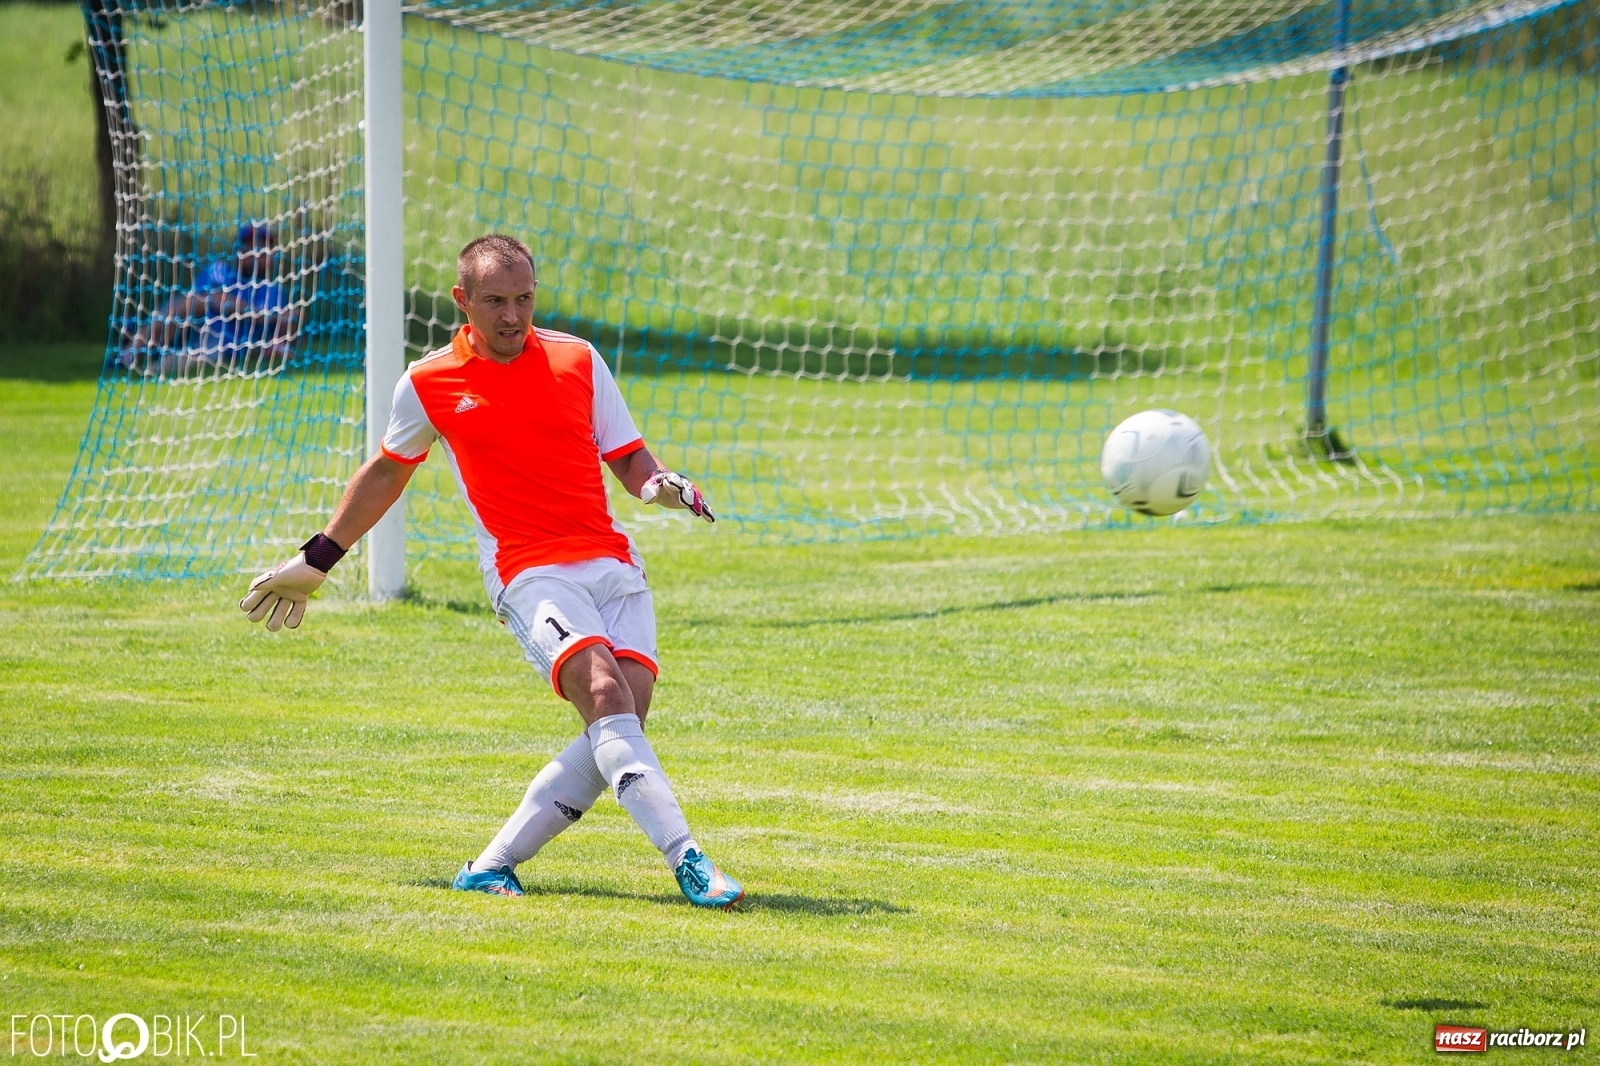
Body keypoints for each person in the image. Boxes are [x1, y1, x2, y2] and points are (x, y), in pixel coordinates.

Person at [237, 234, 743, 909]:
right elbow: (389, 471)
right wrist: (318, 558)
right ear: (462, 301)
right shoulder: (429, 382)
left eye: (524, 299)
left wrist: (662, 485)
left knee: (618, 729)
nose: (512, 316)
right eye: (496, 302)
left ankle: (491, 865)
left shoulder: (578, 360)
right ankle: (690, 861)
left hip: (613, 566)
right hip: (529, 572)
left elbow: (629, 457)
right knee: (603, 692)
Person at [120, 222, 299, 377]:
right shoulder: (220, 270)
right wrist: (253, 312)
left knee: (199, 354)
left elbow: (288, 321)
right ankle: (130, 352)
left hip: (227, 346)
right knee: (187, 302)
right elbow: (207, 298)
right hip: (199, 331)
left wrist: (274, 320)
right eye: (251, 248)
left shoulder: (272, 290)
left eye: (263, 250)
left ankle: (150, 361)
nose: (257, 255)